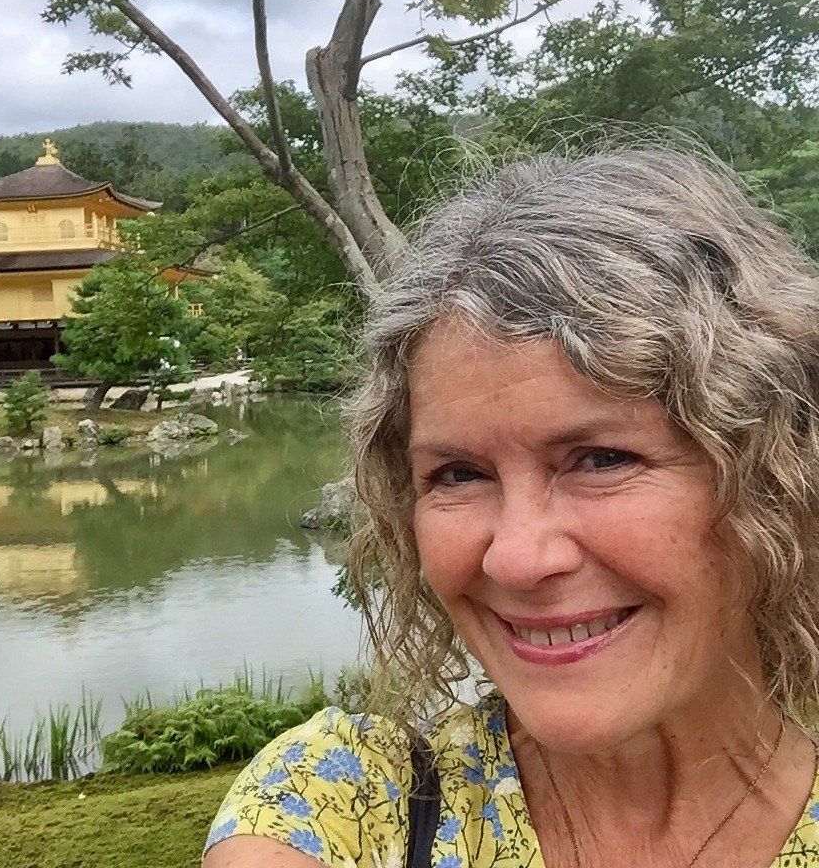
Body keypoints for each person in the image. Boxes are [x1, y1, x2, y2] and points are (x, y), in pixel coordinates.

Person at [202, 146, 819, 868]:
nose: (517, 557)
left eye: (601, 460)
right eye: (459, 474)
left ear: (779, 475)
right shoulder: (344, 808)